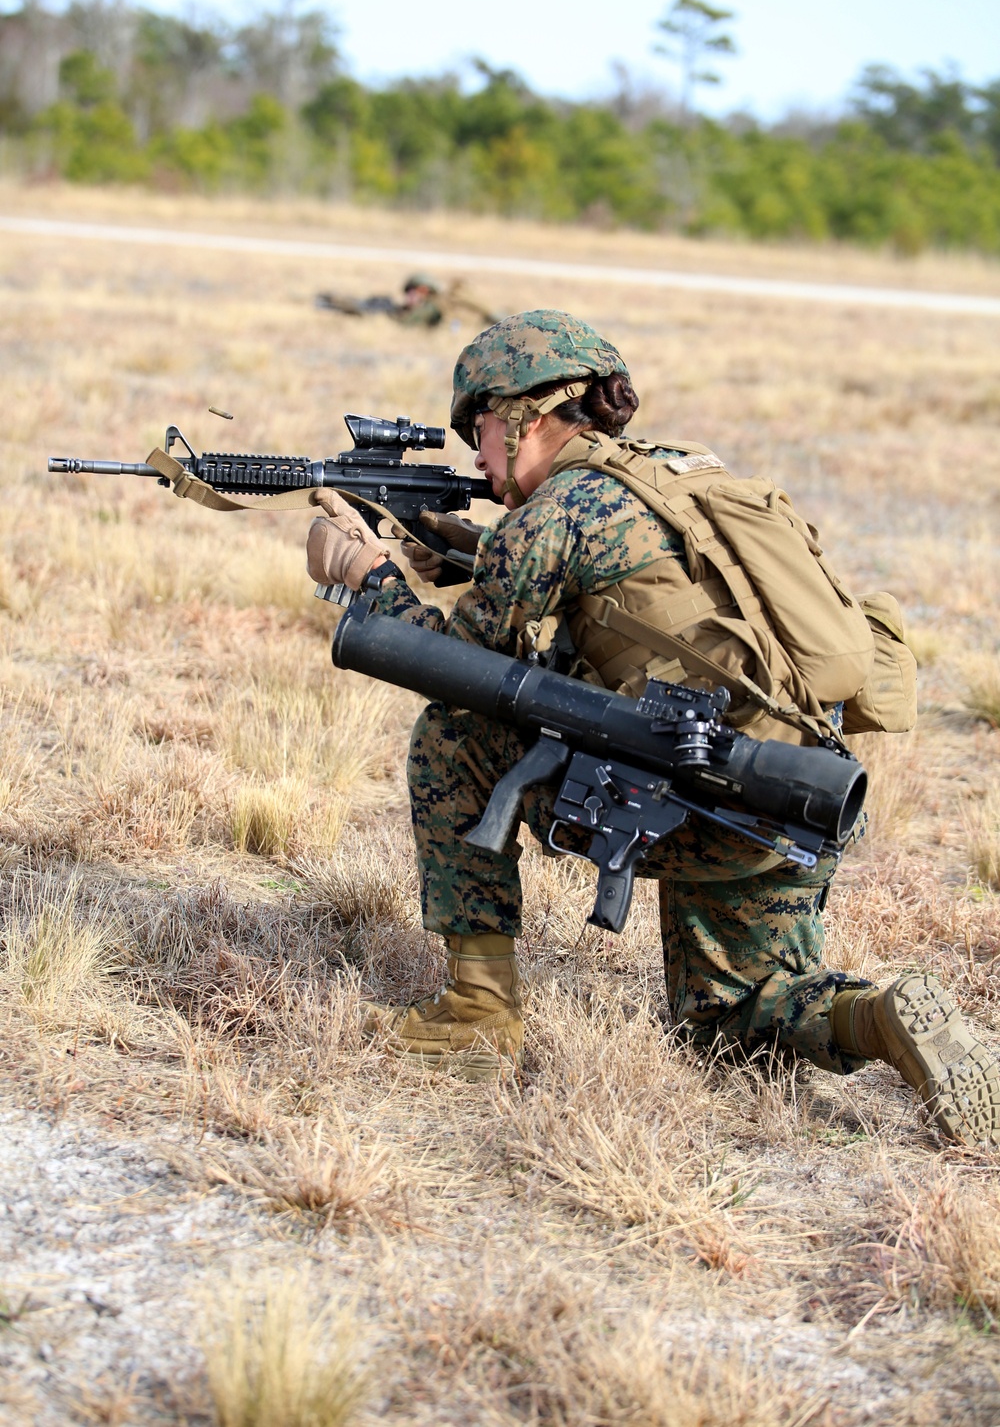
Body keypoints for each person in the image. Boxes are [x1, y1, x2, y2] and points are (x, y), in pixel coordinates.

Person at [306, 309, 1000, 1146]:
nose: (477, 459)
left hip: (689, 796)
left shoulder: (553, 516)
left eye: (480, 431)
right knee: (732, 1024)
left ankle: (476, 1018)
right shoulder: (677, 475)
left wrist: (368, 574)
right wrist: (462, 550)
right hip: (790, 793)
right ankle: (878, 1016)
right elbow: (636, 594)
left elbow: (450, 659)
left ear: (525, 415)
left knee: (454, 733)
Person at [315, 272, 500, 329]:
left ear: (425, 291)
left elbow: (409, 321)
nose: (410, 297)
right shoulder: (435, 302)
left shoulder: (436, 305)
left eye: (415, 292)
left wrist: (387, 314)